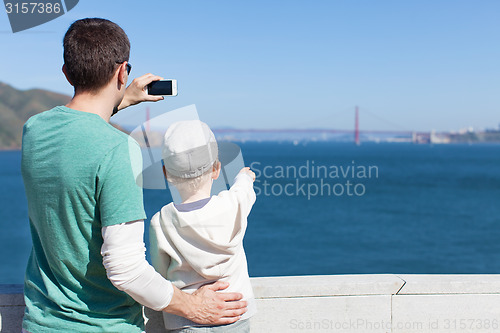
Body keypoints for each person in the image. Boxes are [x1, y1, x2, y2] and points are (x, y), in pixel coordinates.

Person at [20, 18, 246, 333]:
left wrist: (124, 98)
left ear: (67, 73)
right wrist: (194, 306)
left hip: (40, 324)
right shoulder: (118, 149)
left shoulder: (34, 130)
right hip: (102, 325)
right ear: (123, 71)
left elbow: (78, 129)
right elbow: (126, 271)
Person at [149, 120, 257, 332]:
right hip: (235, 314)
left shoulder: (160, 221)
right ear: (216, 169)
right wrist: (245, 177)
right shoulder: (231, 205)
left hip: (184, 321)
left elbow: (161, 275)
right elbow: (243, 190)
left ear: (166, 174)